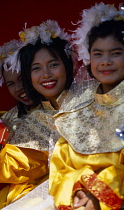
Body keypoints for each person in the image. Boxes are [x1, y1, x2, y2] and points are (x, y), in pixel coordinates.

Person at [0, 20, 76, 210]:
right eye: (36, 68)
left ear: (67, 64)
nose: (45, 74)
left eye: (53, 64)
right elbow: (17, 163)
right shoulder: (37, 119)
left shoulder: (92, 98)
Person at [49, 3, 124, 210]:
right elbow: (61, 168)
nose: (105, 62)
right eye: (98, 54)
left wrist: (98, 194)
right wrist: (78, 190)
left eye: (116, 53)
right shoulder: (76, 110)